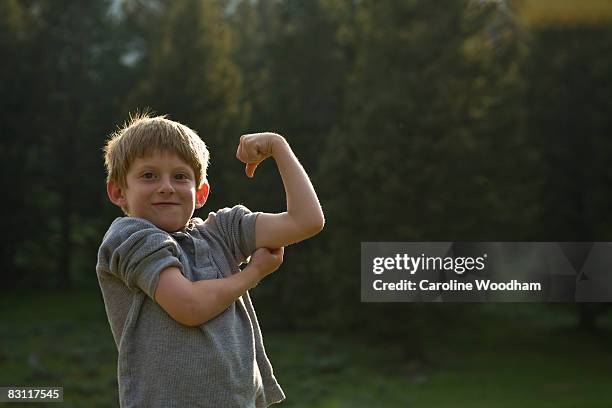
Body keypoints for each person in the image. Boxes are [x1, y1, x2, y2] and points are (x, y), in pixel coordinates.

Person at [96, 113, 324, 407]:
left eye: (180, 176)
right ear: (118, 191)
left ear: (200, 193)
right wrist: (252, 273)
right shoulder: (128, 237)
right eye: (149, 175)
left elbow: (306, 221)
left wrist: (278, 146)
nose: (166, 186)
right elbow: (189, 306)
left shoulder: (222, 232)